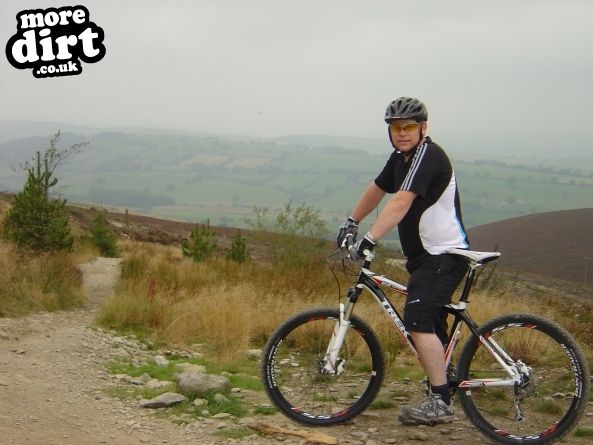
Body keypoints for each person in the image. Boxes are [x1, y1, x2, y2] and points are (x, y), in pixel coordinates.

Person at [336, 97, 470, 426]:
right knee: (429, 322)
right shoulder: (401, 159)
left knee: (418, 322)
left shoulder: (428, 155)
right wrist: (351, 221)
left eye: (408, 127)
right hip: (426, 259)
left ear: (423, 128)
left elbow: (400, 201)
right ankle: (444, 377)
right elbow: (377, 189)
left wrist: (370, 239)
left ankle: (440, 403)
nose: (402, 133)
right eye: (396, 128)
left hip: (443, 256)